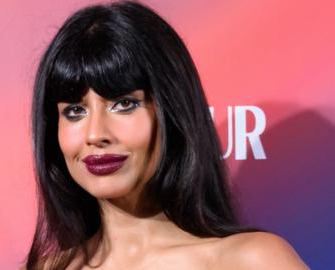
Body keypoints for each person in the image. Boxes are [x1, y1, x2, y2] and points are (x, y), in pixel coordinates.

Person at [24, 1, 309, 269]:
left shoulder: (252, 261)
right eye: (75, 111)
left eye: (124, 104)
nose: (96, 133)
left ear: (172, 112)